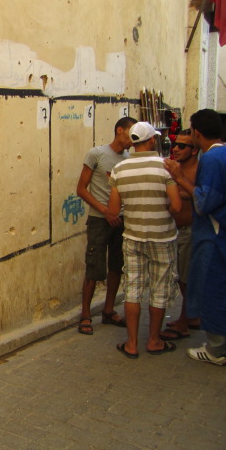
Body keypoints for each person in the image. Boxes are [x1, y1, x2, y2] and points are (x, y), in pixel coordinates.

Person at [164, 109, 226, 366]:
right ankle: (225, 345)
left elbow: (205, 202)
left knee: (212, 289)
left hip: (216, 235)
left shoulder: (212, 159)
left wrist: (178, 177)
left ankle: (215, 350)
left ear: (197, 133)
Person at [108, 122, 182, 358]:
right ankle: (154, 340)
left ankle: (131, 344)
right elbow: (177, 206)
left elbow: (114, 209)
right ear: (151, 140)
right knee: (159, 289)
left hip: (133, 236)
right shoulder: (165, 167)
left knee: (133, 289)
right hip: (162, 237)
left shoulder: (120, 169)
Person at [75, 116, 136, 335]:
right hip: (99, 220)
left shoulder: (129, 159)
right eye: (130, 133)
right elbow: (81, 189)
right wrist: (105, 211)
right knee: (94, 267)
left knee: (116, 266)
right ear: (120, 130)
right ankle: (85, 315)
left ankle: (109, 310)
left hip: (121, 220)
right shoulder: (96, 154)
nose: (133, 139)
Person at [160, 130, 200, 340]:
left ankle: (184, 322)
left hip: (189, 230)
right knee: (180, 277)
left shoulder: (199, 170)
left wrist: (176, 188)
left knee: (185, 279)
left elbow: (200, 195)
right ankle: (191, 316)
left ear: (193, 150)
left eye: (182, 146)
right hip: (173, 231)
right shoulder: (174, 167)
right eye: (175, 144)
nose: (176, 149)